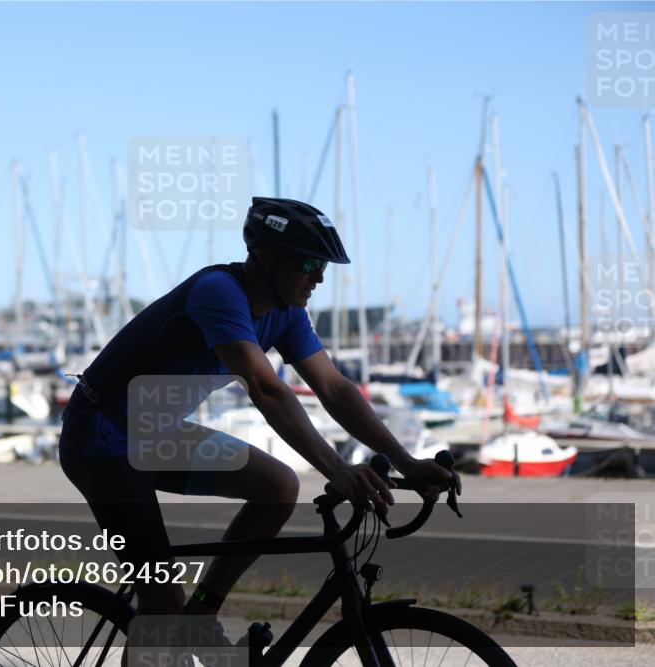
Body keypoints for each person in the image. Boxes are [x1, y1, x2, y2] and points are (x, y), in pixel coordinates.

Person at [58, 197, 454, 658]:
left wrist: (407, 461)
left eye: (323, 267)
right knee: (162, 601)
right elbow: (266, 390)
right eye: (309, 264)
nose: (319, 278)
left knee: (278, 487)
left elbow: (333, 387)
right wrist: (337, 469)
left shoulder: (286, 312)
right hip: (100, 439)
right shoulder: (219, 293)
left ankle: (201, 616)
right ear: (266, 256)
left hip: (153, 432)